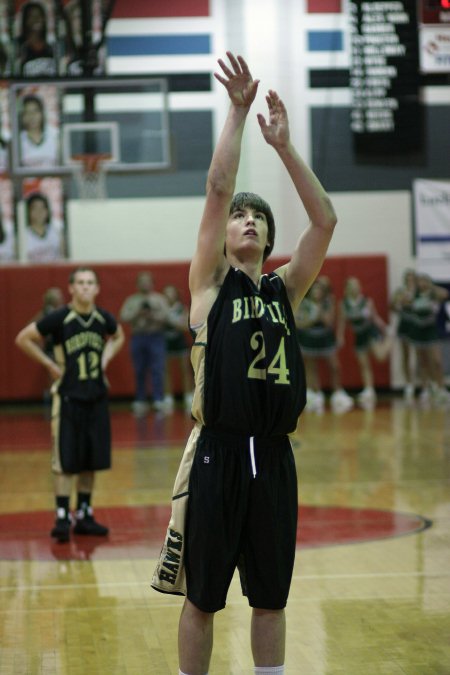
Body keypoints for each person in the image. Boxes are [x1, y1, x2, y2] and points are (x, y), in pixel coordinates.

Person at [151, 52, 337, 675]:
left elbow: (325, 219)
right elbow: (217, 186)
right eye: (239, 216)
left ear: (269, 235)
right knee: (202, 598)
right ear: (224, 235)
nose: (247, 219)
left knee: (271, 596)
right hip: (218, 452)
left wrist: (284, 148)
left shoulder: (286, 289)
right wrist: (236, 111)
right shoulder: (208, 287)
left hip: (276, 455)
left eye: (257, 216)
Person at [15, 267, 125, 543]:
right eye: (81, 283)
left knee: (90, 459)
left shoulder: (102, 318)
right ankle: (63, 516)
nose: (86, 287)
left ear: (97, 289)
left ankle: (85, 515)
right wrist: (50, 364)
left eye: (90, 283)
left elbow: (119, 335)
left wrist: (106, 358)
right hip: (68, 398)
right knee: (65, 461)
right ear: (71, 289)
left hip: (96, 397)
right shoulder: (60, 318)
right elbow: (23, 338)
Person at [295, 276, 353, 414]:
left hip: (325, 338)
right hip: (309, 337)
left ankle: (337, 393)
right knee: (310, 367)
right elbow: (299, 322)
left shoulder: (328, 302)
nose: (317, 293)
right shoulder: (304, 303)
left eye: (320, 290)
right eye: (315, 290)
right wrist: (312, 318)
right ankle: (313, 393)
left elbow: (328, 321)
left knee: (335, 366)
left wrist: (319, 311)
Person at [337, 276, 392, 410]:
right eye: (352, 286)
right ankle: (369, 390)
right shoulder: (344, 304)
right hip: (359, 335)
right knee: (364, 364)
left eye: (357, 285)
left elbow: (375, 317)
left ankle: (391, 339)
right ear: (347, 289)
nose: (355, 288)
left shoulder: (367, 301)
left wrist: (385, 328)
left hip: (371, 332)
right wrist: (340, 336)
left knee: (380, 357)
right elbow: (342, 322)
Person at [119, 271, 169, 416]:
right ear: (137, 284)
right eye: (142, 281)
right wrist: (138, 313)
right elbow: (123, 316)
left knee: (158, 369)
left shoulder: (159, 299)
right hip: (138, 337)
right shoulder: (132, 300)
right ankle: (140, 399)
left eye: (147, 281)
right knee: (139, 369)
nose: (144, 284)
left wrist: (152, 315)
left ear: (152, 283)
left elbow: (167, 317)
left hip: (156, 336)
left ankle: (158, 399)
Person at [408, 273, 450, 406]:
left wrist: (432, 287)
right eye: (420, 281)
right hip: (418, 330)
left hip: (431, 330)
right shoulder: (414, 295)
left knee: (437, 361)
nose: (422, 284)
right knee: (422, 361)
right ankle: (425, 387)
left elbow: (445, 293)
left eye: (424, 281)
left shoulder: (434, 294)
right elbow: (401, 301)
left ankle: (441, 387)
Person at [162, 284, 194, 412]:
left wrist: (172, 322)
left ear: (176, 295)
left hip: (180, 342)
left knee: (185, 370)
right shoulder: (161, 309)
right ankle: (168, 398)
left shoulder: (182, 308)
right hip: (166, 343)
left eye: (171, 293)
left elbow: (186, 326)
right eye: (166, 293)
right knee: (166, 372)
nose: (169, 295)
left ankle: (188, 396)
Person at [390, 268, 417, 402]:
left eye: (412, 278)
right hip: (404, 326)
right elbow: (393, 306)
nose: (410, 281)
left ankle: (425, 384)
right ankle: (408, 383)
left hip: (417, 326)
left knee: (421, 355)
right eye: (408, 278)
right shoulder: (400, 292)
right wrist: (400, 300)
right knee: (406, 355)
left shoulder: (419, 292)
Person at [15, 1, 57, 77]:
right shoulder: (19, 47)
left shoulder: (53, 47)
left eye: (39, 15)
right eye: (32, 16)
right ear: (25, 20)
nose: (36, 19)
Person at [19, 94, 59, 168]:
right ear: (22, 116)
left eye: (35, 111)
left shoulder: (55, 137)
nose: (32, 116)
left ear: (42, 113)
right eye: (27, 112)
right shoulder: (18, 142)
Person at [25, 192, 65, 263]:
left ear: (47, 211)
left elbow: (63, 256)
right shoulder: (24, 236)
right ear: (28, 211)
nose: (39, 212)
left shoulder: (56, 231)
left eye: (42, 208)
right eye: (35, 208)